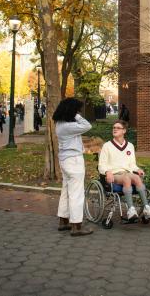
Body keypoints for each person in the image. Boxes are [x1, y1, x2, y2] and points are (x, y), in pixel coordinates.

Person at [98, 119, 150, 222]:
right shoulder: (107, 146)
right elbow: (101, 164)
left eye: (118, 128)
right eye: (114, 128)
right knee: (127, 177)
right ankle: (131, 209)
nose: (115, 129)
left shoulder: (130, 146)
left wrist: (138, 169)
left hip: (127, 174)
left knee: (136, 177)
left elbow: (132, 165)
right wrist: (107, 172)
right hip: (114, 174)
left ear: (124, 131)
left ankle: (147, 208)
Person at [54, 97, 93, 236]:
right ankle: (76, 226)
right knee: (76, 193)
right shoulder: (69, 126)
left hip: (64, 160)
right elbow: (87, 125)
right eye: (77, 109)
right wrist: (75, 114)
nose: (79, 112)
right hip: (74, 160)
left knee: (65, 191)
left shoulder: (59, 123)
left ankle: (63, 221)